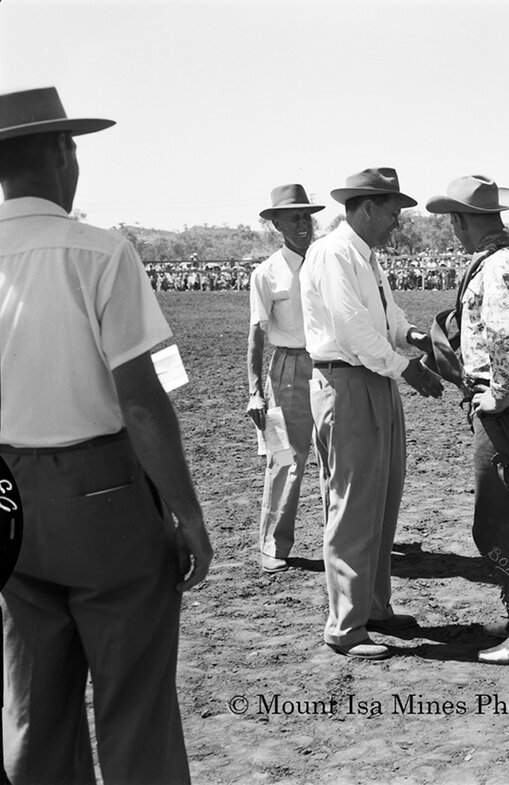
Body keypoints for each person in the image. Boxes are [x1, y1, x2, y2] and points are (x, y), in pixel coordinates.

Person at [0, 87, 212, 783]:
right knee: (133, 698)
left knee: (36, 696)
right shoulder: (97, 250)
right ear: (62, 154)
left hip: (10, 491)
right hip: (102, 491)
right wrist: (185, 511)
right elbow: (143, 401)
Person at [301, 167, 442, 661]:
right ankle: (344, 625)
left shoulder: (366, 257)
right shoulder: (333, 254)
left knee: (382, 497)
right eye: (392, 212)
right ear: (365, 208)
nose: (397, 223)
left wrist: (414, 337)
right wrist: (408, 369)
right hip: (347, 379)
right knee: (353, 503)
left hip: (375, 379)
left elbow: (387, 317)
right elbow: (352, 328)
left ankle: (373, 605)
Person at [425, 175, 509, 664]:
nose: (453, 231)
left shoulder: (496, 265)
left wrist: (501, 391)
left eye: (453, 221)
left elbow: (504, 334)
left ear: (464, 220)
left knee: (501, 520)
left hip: (503, 402)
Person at [247, 184, 324, 574]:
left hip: (330, 365)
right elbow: (257, 334)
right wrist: (255, 391)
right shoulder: (266, 273)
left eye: (307, 216)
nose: (303, 224)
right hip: (288, 371)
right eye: (294, 217)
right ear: (276, 223)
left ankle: (340, 540)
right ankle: (272, 544)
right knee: (285, 458)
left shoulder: (326, 261)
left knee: (337, 457)